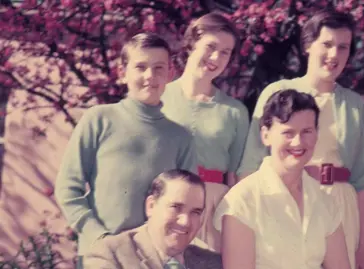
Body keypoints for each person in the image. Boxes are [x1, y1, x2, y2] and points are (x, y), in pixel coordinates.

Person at [236, 9, 364, 269]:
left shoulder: (356, 106)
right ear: (309, 45)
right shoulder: (277, 93)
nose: (334, 55)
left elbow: (363, 180)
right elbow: (250, 164)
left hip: (340, 207)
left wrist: (363, 251)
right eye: (327, 44)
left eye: (343, 47)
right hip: (286, 201)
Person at [54, 33, 198, 269]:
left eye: (159, 68)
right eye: (140, 67)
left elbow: (188, 203)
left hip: (153, 258)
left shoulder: (181, 138)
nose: (150, 76)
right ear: (123, 72)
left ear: (170, 75)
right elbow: (67, 188)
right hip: (100, 253)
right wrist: (98, 237)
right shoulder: (99, 120)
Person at [214, 89, 351, 269]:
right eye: (288, 132)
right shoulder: (242, 201)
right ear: (266, 135)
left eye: (307, 131)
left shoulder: (326, 202)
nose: (298, 142)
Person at [161, 12, 250, 252]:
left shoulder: (235, 112)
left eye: (225, 52)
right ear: (191, 44)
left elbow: (236, 180)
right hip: (165, 203)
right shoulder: (158, 98)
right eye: (210, 47)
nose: (215, 58)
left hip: (212, 208)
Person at [83, 169, 222, 269]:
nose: (185, 221)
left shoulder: (213, 263)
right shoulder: (110, 255)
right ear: (151, 206)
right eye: (176, 207)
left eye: (195, 212)